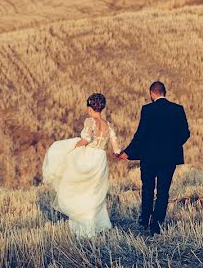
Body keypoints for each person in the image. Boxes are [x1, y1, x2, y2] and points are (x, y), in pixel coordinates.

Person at [42, 92, 122, 237]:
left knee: (81, 189)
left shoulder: (90, 121)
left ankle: (83, 223)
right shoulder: (108, 126)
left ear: (90, 108)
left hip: (89, 156)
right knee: (94, 192)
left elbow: (85, 139)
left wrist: (72, 148)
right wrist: (119, 154)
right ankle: (97, 222)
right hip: (100, 159)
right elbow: (116, 147)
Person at [117, 81, 191, 234]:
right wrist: (173, 145)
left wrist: (127, 152)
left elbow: (140, 135)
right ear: (165, 92)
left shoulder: (147, 110)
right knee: (163, 191)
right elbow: (185, 133)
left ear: (152, 93)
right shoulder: (177, 109)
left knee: (148, 188)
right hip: (169, 158)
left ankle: (144, 219)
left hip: (149, 158)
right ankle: (157, 224)